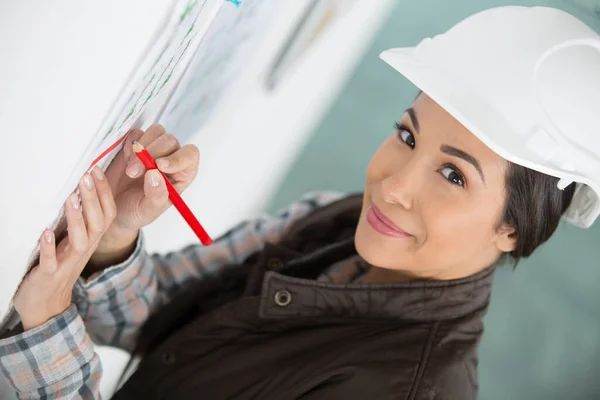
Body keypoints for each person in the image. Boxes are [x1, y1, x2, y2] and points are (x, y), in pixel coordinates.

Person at [1, 6, 599, 399]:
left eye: (453, 174)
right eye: (408, 136)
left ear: (515, 231)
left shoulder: (405, 390)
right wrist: (115, 238)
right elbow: (161, 316)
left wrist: (48, 325)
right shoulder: (333, 219)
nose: (392, 184)